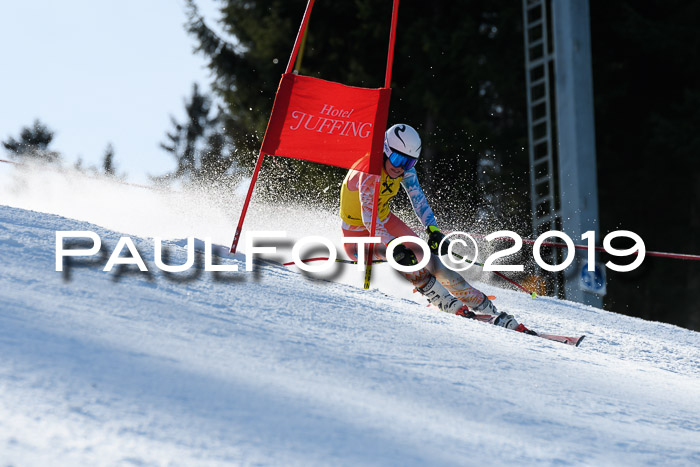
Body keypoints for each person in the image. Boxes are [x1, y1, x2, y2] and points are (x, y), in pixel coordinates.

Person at [339, 123, 523, 330]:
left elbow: (418, 200)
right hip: (358, 235)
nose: (400, 167)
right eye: (398, 159)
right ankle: (443, 300)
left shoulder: (404, 170)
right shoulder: (368, 171)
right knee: (404, 259)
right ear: (385, 151)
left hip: (385, 220)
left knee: (427, 257)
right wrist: (393, 246)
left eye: (408, 162)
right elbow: (368, 219)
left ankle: (482, 304)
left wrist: (433, 230)